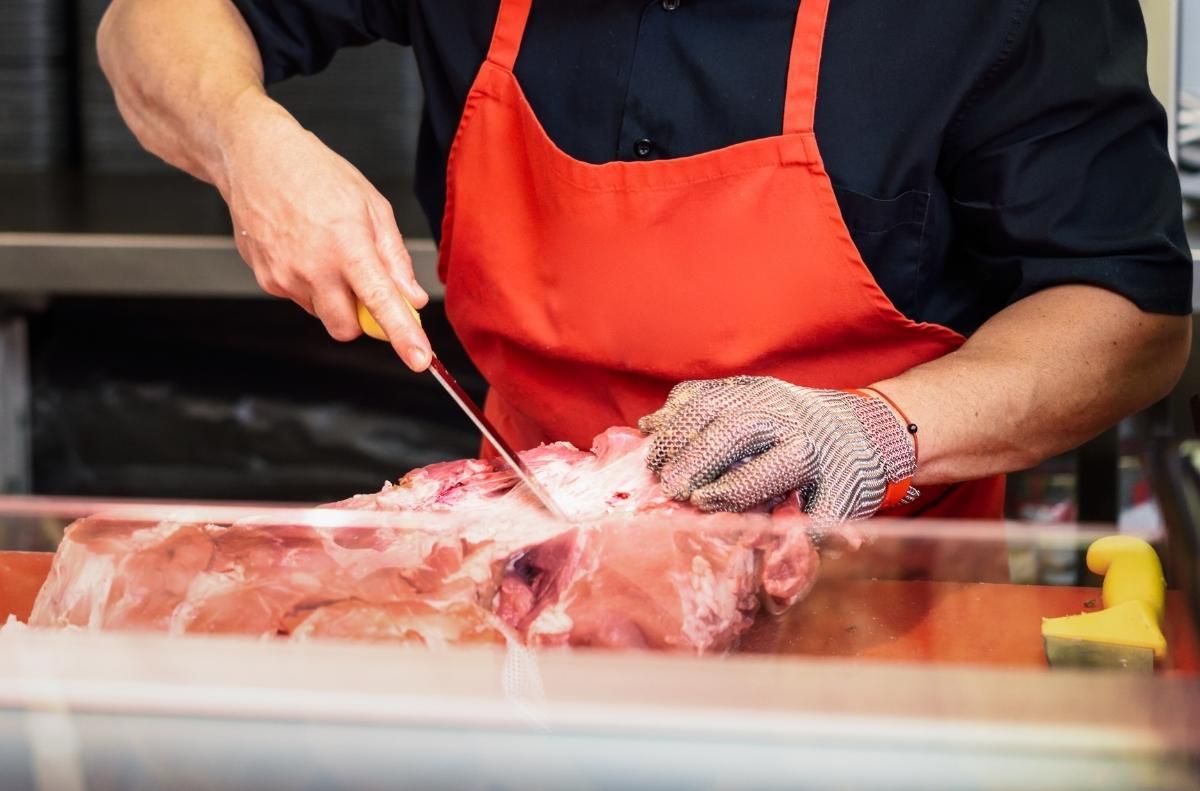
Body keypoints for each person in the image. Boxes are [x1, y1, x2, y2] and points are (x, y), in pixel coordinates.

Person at [97, 0, 1193, 525]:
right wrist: (247, 141)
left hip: (873, 592)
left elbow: (1127, 308)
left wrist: (872, 429)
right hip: (531, 575)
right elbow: (149, 25)